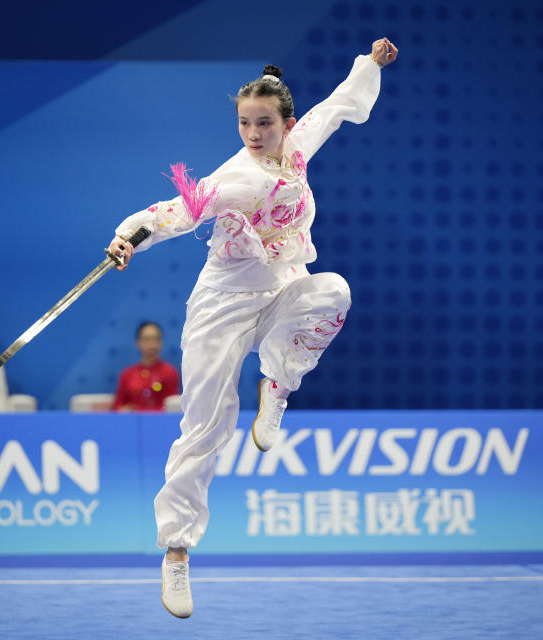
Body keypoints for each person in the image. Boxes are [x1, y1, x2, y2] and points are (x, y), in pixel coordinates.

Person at [108, 38, 397, 617]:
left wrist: (369, 64)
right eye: (245, 123)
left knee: (333, 292)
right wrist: (129, 236)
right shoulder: (235, 179)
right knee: (206, 424)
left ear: (285, 123)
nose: (253, 133)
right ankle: (177, 551)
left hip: (282, 286)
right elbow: (176, 211)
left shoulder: (298, 147)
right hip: (222, 304)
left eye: (264, 123)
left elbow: (340, 104)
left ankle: (278, 385)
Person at [113, 321, 181, 411]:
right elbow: (117, 406)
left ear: (161, 342)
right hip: (132, 422)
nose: (152, 345)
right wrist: (125, 411)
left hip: (160, 423)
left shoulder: (169, 372)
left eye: (156, 339)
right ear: (138, 343)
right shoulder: (127, 374)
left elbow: (171, 407)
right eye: (147, 339)